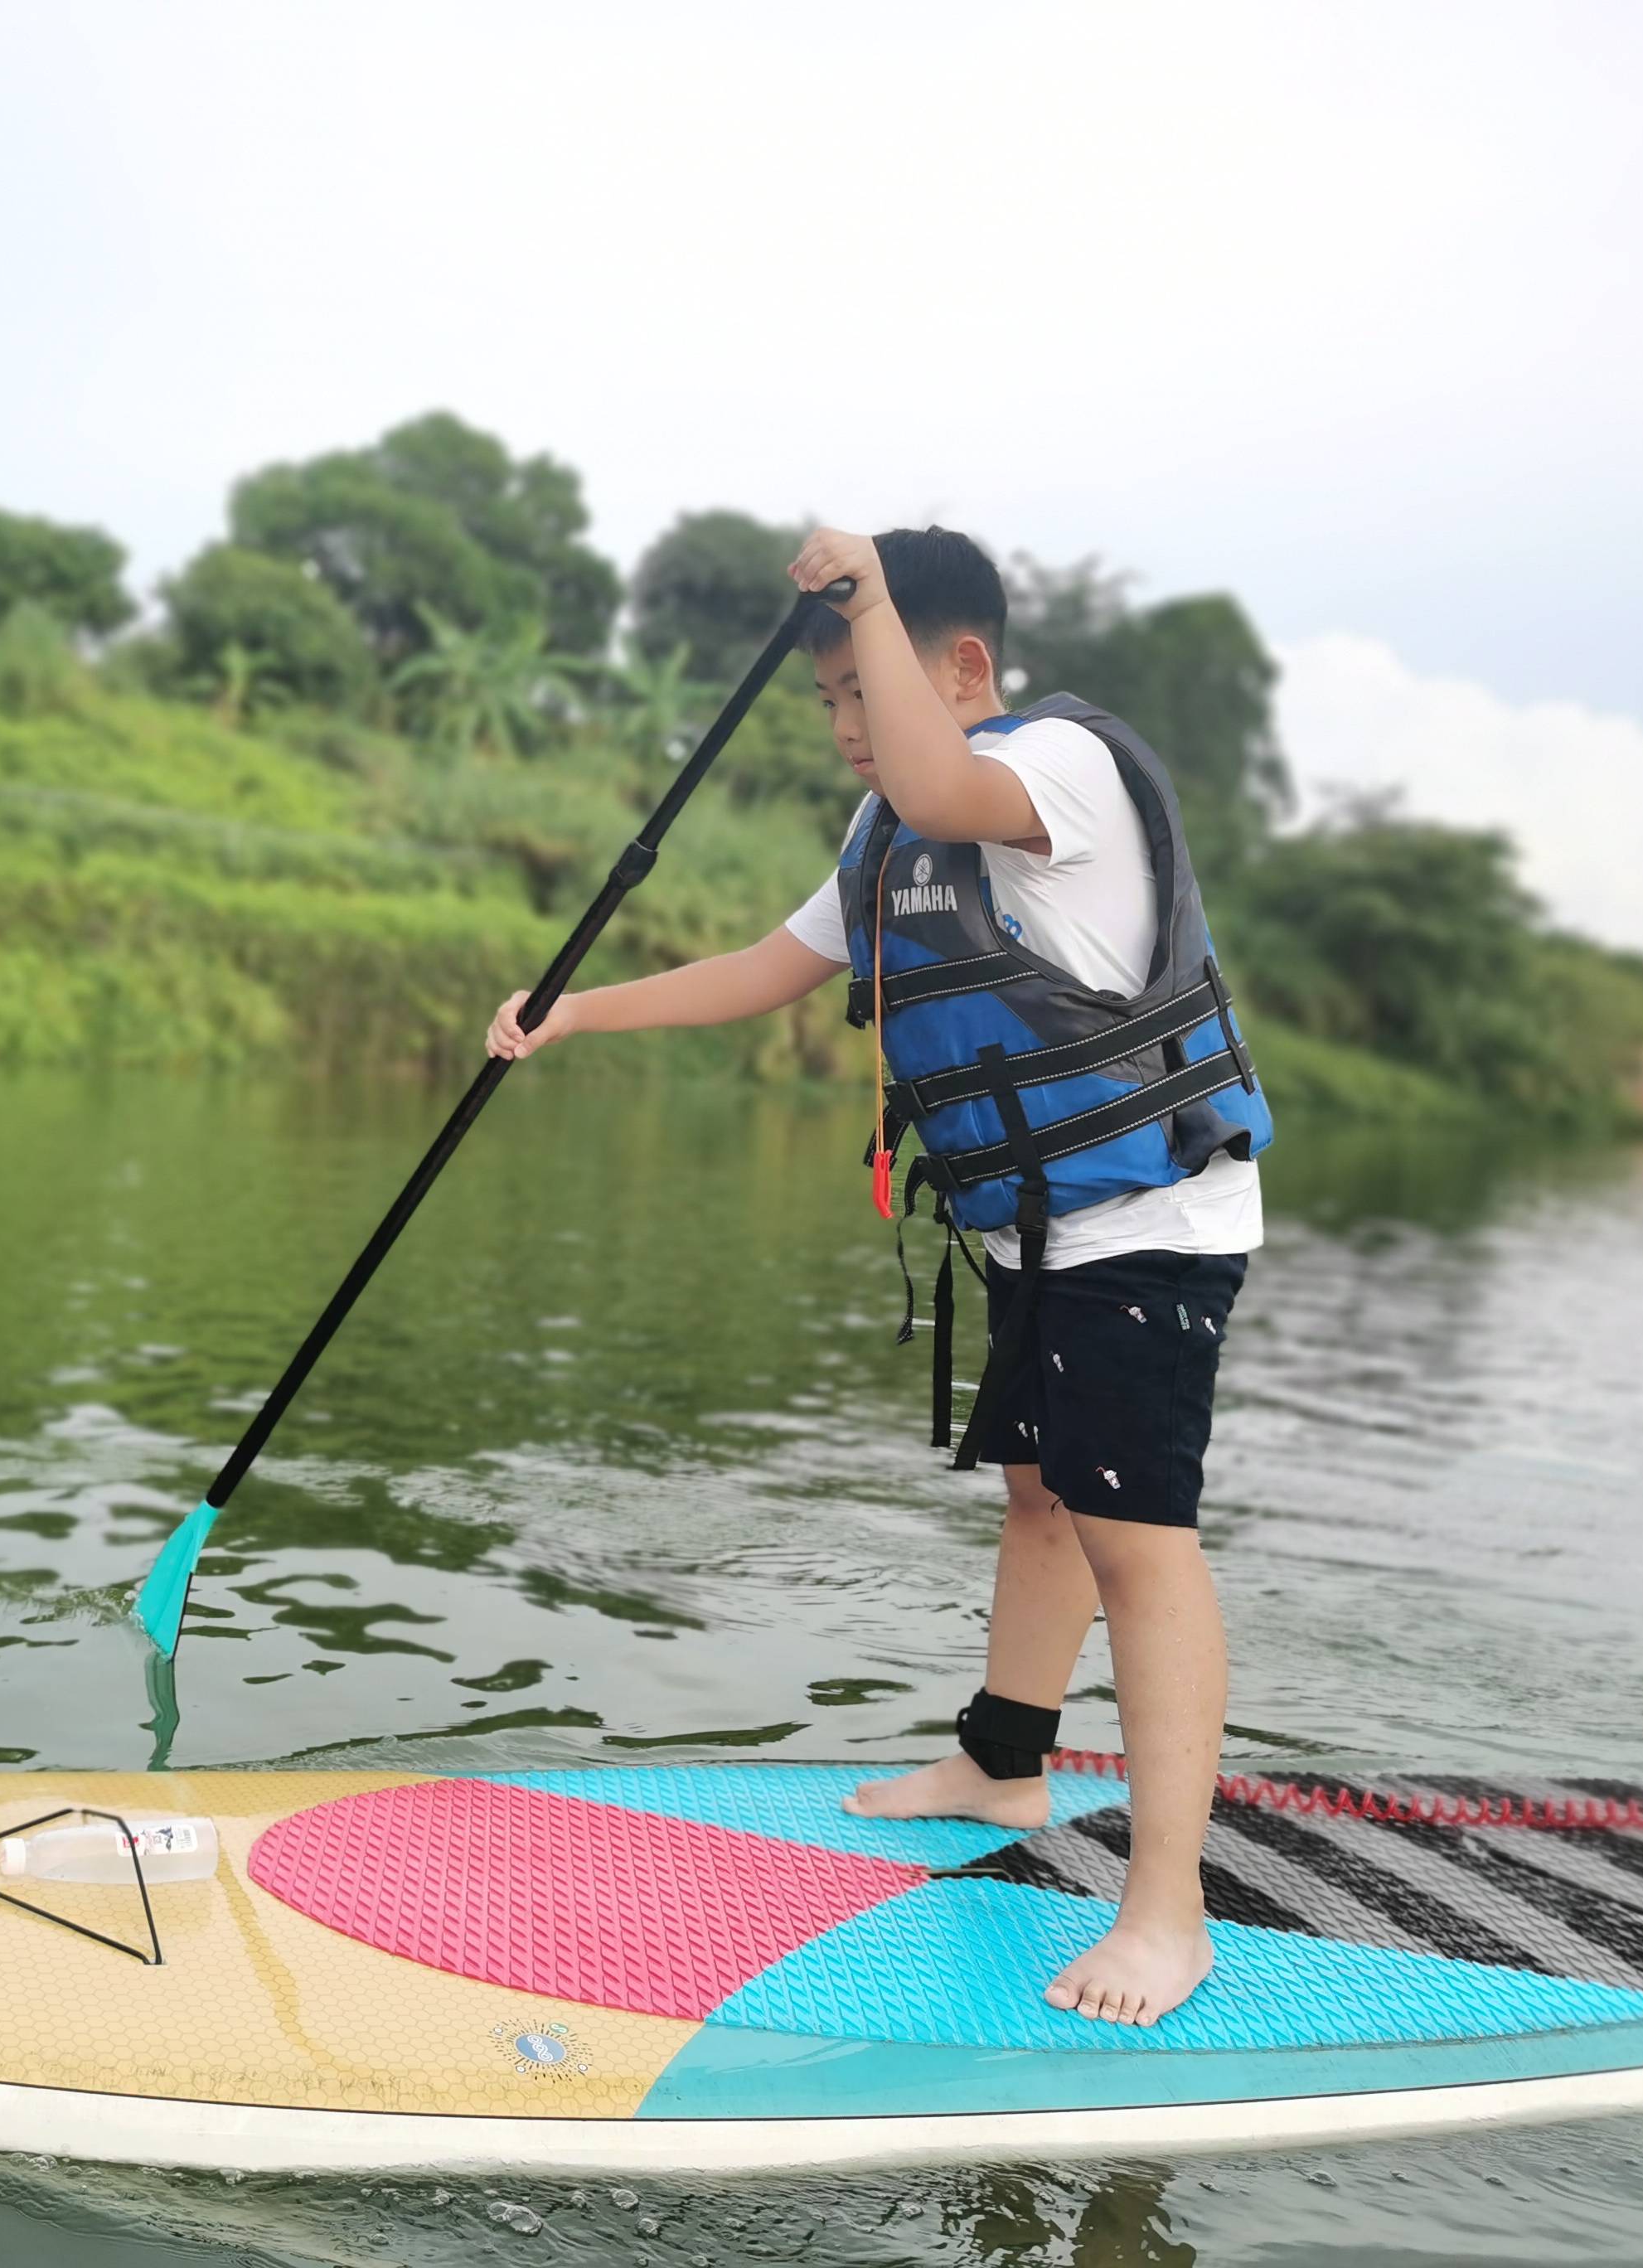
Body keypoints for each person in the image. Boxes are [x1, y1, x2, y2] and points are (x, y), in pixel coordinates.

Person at [484, 526, 1272, 2028]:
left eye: (866, 688)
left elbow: (940, 783)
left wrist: (875, 591)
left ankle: (1170, 1914)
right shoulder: (885, 840)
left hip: (1148, 1224)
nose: (849, 726)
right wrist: (574, 1011)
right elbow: (761, 971)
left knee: (1138, 1543)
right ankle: (1003, 1763)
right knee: (1042, 1497)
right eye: (833, 699)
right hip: (1033, 1230)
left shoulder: (1060, 771)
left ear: (962, 668)